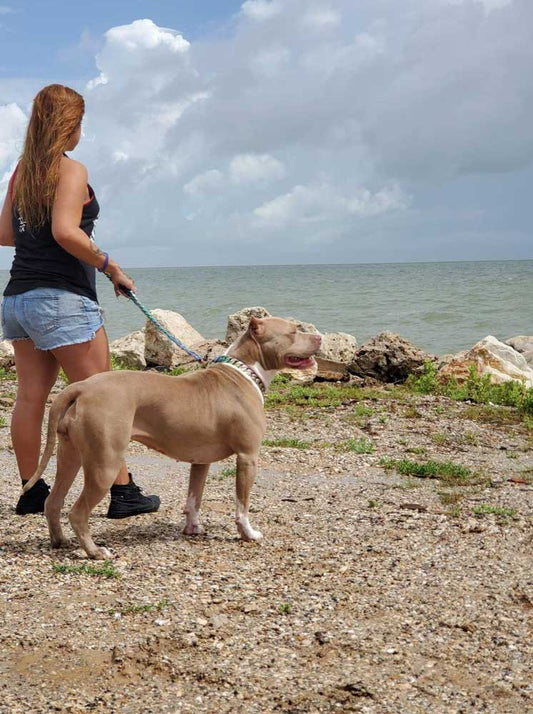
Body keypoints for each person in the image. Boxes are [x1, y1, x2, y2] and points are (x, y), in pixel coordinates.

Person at [0, 84, 160, 518]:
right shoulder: (70, 171)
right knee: (103, 398)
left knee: (31, 399)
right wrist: (110, 266)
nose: (81, 134)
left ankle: (31, 489)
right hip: (62, 301)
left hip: (18, 300)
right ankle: (122, 492)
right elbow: (65, 232)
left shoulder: (22, 171)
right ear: (69, 126)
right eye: (80, 124)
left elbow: (6, 235)